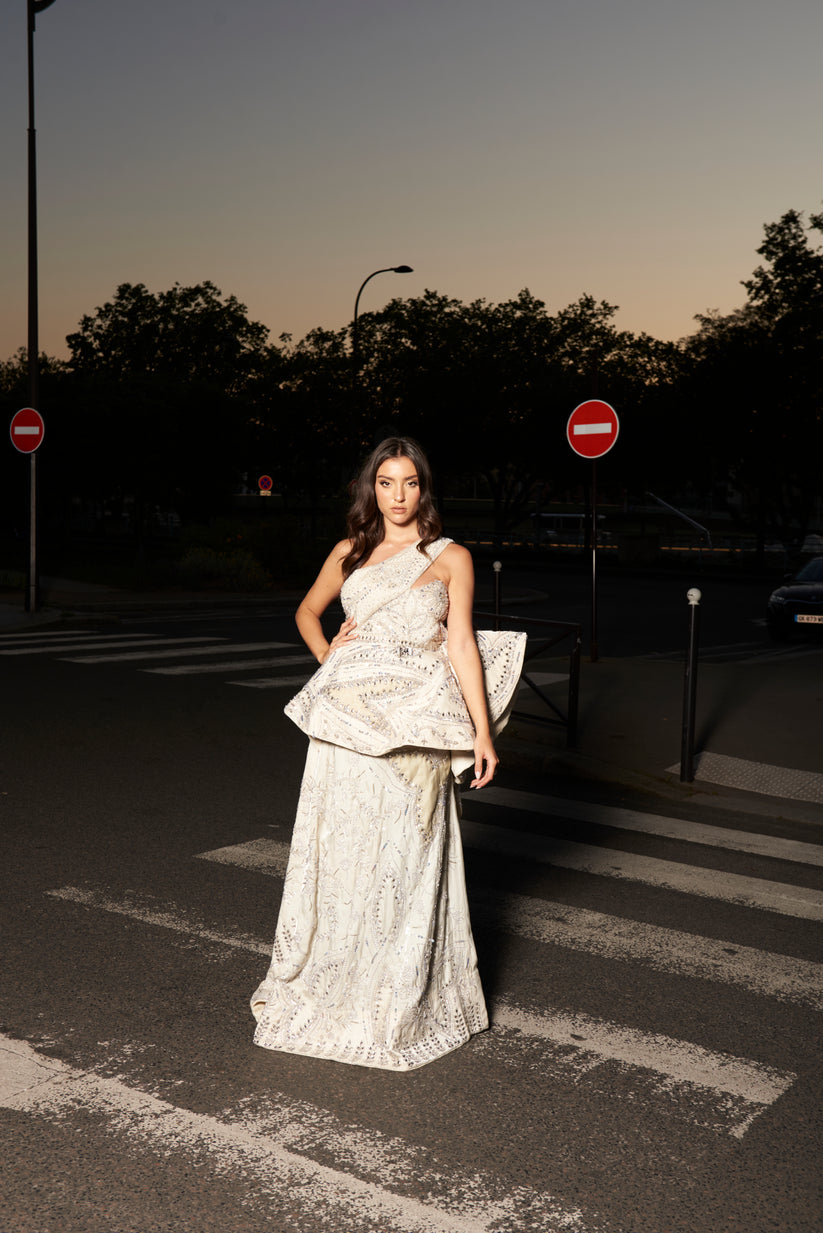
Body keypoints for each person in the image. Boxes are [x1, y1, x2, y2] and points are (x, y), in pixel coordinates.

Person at [251, 437, 526, 1070]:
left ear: (423, 489)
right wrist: (329, 654)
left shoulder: (451, 557)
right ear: (369, 489)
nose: (398, 496)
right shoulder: (348, 551)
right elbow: (307, 611)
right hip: (346, 721)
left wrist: (481, 733)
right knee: (345, 856)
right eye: (385, 483)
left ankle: (397, 1002)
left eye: (409, 483)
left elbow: (461, 644)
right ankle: (337, 990)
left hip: (417, 723)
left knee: (408, 858)